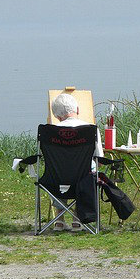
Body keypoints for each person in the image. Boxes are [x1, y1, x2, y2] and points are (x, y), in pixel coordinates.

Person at [51, 93, 103, 231]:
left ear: (57, 116)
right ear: (78, 110)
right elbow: (99, 160)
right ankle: (77, 218)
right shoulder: (91, 129)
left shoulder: (51, 132)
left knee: (60, 171)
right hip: (84, 181)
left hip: (56, 181)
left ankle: (59, 220)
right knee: (87, 170)